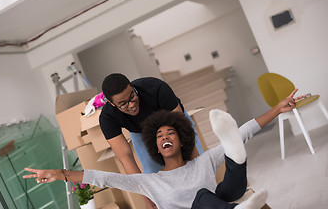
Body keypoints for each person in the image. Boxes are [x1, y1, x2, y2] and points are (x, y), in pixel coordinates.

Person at [23, 89, 305, 209]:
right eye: (160, 135)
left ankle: (234, 157)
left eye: (172, 132)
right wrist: (59, 173)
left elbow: (245, 131)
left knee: (228, 166)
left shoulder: (201, 163)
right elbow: (104, 178)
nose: (165, 137)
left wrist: (277, 109)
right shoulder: (150, 182)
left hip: (217, 200)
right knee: (204, 197)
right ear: (156, 146)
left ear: (182, 140)